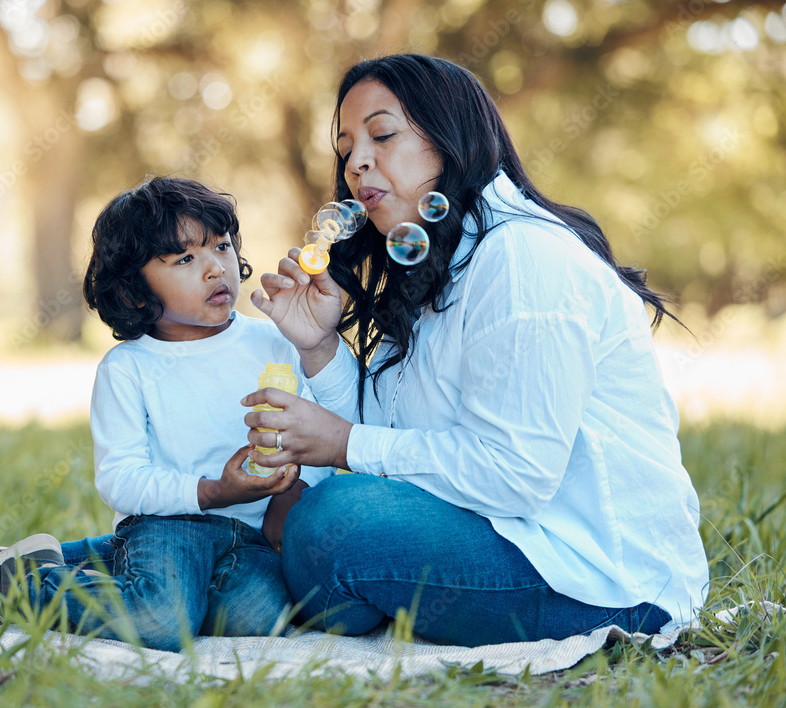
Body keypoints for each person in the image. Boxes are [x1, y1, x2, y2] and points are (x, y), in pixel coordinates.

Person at [242, 54, 709, 647]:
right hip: (508, 536)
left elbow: (515, 475)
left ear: (449, 140)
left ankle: (299, 583)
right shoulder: (440, 264)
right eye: (346, 148)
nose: (357, 162)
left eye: (382, 135)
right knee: (314, 519)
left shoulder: (522, 260)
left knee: (333, 518)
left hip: (601, 580)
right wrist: (318, 345)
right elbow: (394, 440)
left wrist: (343, 444)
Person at [0, 177, 333, 652]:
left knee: (259, 616)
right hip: (169, 523)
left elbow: (322, 430)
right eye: (184, 258)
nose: (214, 268)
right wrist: (213, 491)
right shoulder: (129, 369)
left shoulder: (275, 341)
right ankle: (11, 589)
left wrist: (295, 497)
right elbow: (120, 478)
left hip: (252, 540)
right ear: (136, 291)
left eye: (221, 246)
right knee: (161, 618)